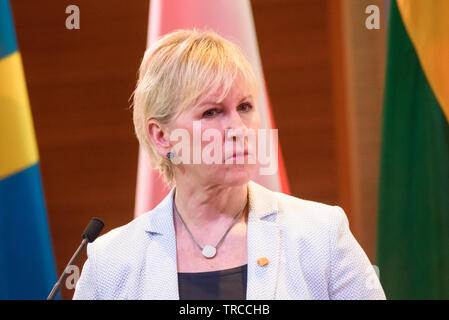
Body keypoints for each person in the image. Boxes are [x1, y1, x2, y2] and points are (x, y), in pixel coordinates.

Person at [73, 29, 386, 300]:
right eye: (211, 112)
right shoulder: (111, 264)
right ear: (161, 136)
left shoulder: (321, 235)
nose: (239, 128)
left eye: (245, 107)